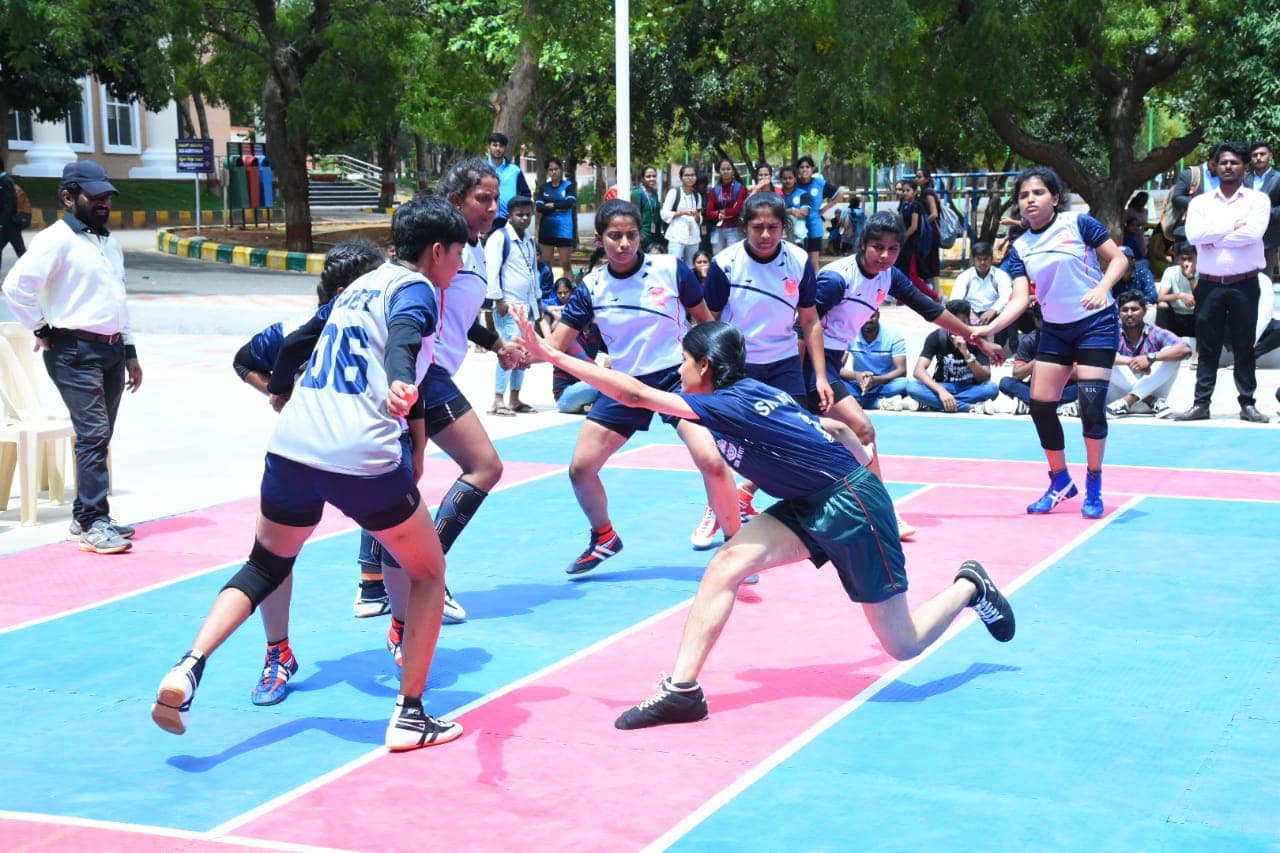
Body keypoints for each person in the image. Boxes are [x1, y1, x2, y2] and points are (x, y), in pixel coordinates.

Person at [511, 314, 1015, 730]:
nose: (679, 370)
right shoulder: (750, 390)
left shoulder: (726, 403)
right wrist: (856, 464)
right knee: (727, 564)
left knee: (903, 644)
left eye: (683, 361)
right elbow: (834, 426)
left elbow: (636, 396)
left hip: (848, 508)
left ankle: (969, 587)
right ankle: (682, 691)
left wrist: (554, 356)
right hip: (811, 500)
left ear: (704, 366)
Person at [151, 195, 470, 751]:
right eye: (460, 251)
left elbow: (300, 339)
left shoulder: (358, 286)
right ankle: (411, 715)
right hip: (359, 456)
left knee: (264, 564)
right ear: (438, 250)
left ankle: (189, 665)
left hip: (292, 449)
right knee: (427, 571)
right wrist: (399, 380)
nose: (462, 264)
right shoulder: (415, 287)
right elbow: (405, 336)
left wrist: (279, 388)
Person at [232, 240, 396, 705]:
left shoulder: (382, 332)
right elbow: (243, 361)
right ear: (346, 291)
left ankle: (399, 626)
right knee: (272, 557)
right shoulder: (291, 332)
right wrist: (279, 395)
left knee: (405, 543)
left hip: (362, 455)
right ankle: (277, 653)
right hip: (301, 457)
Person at [542, 199, 740, 574]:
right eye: (615, 236)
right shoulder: (591, 287)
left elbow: (706, 324)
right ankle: (604, 537)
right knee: (580, 469)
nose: (624, 243)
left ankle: (735, 547)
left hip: (674, 381)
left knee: (712, 462)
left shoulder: (669, 269)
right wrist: (519, 349)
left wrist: (709, 374)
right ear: (600, 239)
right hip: (624, 386)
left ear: (640, 236)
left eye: (631, 235)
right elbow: (554, 345)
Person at [811, 212, 1000, 539]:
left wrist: (973, 335)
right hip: (804, 360)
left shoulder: (889, 276)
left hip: (825, 362)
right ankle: (730, 496)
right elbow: (803, 326)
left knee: (858, 432)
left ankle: (880, 511)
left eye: (892, 248)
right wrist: (817, 375)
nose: (884, 255)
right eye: (877, 247)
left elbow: (931, 309)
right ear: (862, 244)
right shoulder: (837, 279)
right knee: (805, 436)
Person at [1, 160, 141, 554]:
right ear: (68, 197)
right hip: (74, 351)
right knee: (94, 433)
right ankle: (96, 521)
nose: (102, 203)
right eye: (93, 196)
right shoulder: (56, 240)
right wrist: (41, 328)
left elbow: (119, 300)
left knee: (100, 436)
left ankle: (85, 517)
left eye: (106, 196)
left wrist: (130, 351)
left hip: (111, 349)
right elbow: (16, 287)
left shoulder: (107, 244)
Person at [973, 165, 1128, 519]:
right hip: (1056, 329)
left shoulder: (1079, 225)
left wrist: (1102, 289)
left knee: (1091, 406)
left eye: (1038, 193)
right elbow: (1018, 300)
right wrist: (990, 328)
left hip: (1096, 324)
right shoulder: (1020, 248)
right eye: (1024, 195)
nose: (1030, 200)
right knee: (1041, 405)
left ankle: (1093, 481)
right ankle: (1060, 480)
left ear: (1055, 198)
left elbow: (1119, 258)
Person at [690, 192, 827, 550]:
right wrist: (702, 372)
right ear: (743, 227)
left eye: (773, 227)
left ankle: (748, 496)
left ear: (784, 227)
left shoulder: (798, 260)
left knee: (798, 440)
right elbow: (709, 321)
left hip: (783, 364)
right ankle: (715, 508)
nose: (765, 234)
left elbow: (810, 320)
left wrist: (821, 376)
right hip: (737, 367)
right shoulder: (725, 263)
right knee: (725, 447)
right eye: (757, 227)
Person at [1172, 142, 1271, 423]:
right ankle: (1201, 404)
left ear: (1245, 167)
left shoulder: (1257, 200)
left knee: (1244, 345)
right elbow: (1194, 236)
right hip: (1211, 285)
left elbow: (1252, 235)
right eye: (1223, 162)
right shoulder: (1200, 203)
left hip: (1245, 284)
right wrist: (1231, 228)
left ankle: (1247, 403)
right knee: (1208, 345)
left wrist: (1213, 235)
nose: (1228, 167)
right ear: (1215, 166)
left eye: (1235, 162)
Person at [487, 195, 540, 415]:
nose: (524, 218)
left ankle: (515, 398)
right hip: (508, 304)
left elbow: (533, 271)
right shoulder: (499, 238)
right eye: (519, 214)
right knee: (508, 351)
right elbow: (492, 270)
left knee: (524, 353)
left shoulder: (529, 240)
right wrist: (498, 299)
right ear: (510, 215)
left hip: (527, 305)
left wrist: (537, 301)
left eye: (528, 214)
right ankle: (498, 399)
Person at [905, 298, 999, 413]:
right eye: (955, 323)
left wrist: (966, 354)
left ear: (969, 322)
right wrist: (941, 391)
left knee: (992, 389)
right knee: (912, 387)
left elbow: (985, 377)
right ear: (947, 322)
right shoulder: (936, 337)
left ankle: (934, 403)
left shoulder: (979, 340)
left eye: (963, 323)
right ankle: (971, 407)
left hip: (969, 388)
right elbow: (918, 371)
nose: (959, 329)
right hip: (943, 386)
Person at [1106, 290, 1191, 418]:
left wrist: (1150, 358)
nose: (1129, 314)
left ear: (1145, 311)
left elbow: (1185, 350)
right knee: (1105, 357)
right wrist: (1131, 361)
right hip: (1119, 402)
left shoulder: (1156, 332)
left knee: (1170, 353)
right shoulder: (1112, 334)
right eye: (1125, 310)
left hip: (1137, 405)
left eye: (1134, 309)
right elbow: (1093, 356)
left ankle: (1130, 399)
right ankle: (1149, 399)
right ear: (1119, 313)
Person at [997, 304, 1080, 416]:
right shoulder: (1029, 341)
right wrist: (1038, 360)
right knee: (1005, 382)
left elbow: (1079, 375)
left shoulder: (1069, 340)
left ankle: (1034, 406)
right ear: (1036, 321)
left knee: (1087, 387)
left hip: (1064, 389)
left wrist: (1058, 361)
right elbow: (1017, 374)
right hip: (1036, 389)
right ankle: (1057, 407)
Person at [546, 278, 605, 414]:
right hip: (566, 396)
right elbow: (586, 363)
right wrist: (611, 376)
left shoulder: (595, 330)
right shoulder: (567, 334)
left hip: (586, 388)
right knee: (608, 384)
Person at [839, 310, 909, 411]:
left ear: (878, 315)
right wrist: (857, 376)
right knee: (831, 380)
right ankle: (880, 403)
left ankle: (857, 401)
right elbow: (837, 367)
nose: (868, 320)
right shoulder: (849, 334)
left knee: (905, 384)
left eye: (872, 316)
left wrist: (875, 380)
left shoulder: (894, 335)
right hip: (858, 384)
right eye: (864, 317)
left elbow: (902, 371)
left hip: (885, 384)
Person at [951, 241, 1013, 341]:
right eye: (979, 259)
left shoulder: (1001, 275)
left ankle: (999, 346)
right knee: (955, 314)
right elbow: (955, 299)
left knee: (1009, 313)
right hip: (971, 313)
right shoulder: (964, 277)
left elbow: (1007, 296)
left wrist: (993, 310)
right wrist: (969, 313)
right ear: (973, 260)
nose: (982, 263)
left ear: (991, 259)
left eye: (986, 259)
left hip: (994, 313)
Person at [894, 180, 940, 300]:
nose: (905, 193)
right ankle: (901, 300)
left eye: (908, 190)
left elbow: (914, 227)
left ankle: (934, 296)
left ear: (914, 192)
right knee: (904, 274)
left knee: (912, 275)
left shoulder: (916, 205)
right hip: (904, 245)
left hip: (912, 244)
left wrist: (902, 237)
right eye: (903, 190)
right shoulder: (904, 205)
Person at [796, 156, 841, 269]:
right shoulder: (794, 183)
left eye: (807, 167)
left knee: (813, 262)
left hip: (813, 227)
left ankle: (814, 285)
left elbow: (840, 194)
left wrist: (824, 209)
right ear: (798, 169)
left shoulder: (819, 183)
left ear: (812, 169)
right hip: (796, 227)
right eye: (801, 167)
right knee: (796, 261)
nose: (804, 169)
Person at [484, 132, 531, 233]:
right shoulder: (480, 168)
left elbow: (526, 194)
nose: (498, 148)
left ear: (505, 148)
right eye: (495, 145)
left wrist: (517, 210)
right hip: (485, 220)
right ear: (489, 147)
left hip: (509, 221)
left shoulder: (515, 170)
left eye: (501, 146)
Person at [535, 157, 576, 273]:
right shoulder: (544, 188)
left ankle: (570, 289)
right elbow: (539, 207)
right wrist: (558, 206)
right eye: (550, 170)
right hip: (546, 230)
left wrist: (552, 206)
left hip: (564, 230)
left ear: (561, 169)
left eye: (556, 169)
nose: (554, 172)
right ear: (547, 171)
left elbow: (569, 203)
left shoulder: (568, 186)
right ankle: (547, 290)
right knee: (546, 266)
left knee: (566, 264)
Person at [1249, 140, 1280, 277]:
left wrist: (1264, 212)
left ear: (1270, 156)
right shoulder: (1245, 179)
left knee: (1264, 278)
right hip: (1246, 235)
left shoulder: (1278, 178)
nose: (1259, 157)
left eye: (1262, 154)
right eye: (1255, 155)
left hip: (1269, 237)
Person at [661, 165, 703, 266]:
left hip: (693, 235)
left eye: (692, 175)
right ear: (681, 178)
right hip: (677, 235)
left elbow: (699, 218)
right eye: (686, 175)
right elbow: (664, 213)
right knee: (674, 264)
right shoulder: (674, 192)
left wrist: (697, 216)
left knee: (692, 266)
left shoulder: (697, 195)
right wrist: (682, 212)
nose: (690, 178)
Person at [1155, 241, 1197, 338]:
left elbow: (1201, 298)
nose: (1187, 263)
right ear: (1178, 260)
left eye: (1190, 259)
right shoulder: (1171, 271)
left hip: (1194, 316)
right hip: (1176, 315)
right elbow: (1160, 297)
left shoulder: (1202, 273)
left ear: (1196, 258)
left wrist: (1190, 277)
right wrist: (1180, 295)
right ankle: (1160, 341)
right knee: (1162, 305)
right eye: (1183, 259)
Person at [706, 159, 747, 255]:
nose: (725, 171)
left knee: (733, 257)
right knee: (717, 258)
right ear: (719, 172)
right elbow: (709, 212)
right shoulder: (715, 190)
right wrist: (721, 215)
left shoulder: (740, 188)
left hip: (735, 228)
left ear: (733, 171)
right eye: (723, 169)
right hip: (717, 229)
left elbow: (736, 210)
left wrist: (718, 212)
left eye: (728, 169)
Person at [0, 157, 27, 268]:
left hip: (10, 224)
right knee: (21, 252)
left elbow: (8, 205)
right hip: (8, 225)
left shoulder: (5, 181)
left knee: (21, 252)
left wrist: (1, 223)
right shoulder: (4, 180)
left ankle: (39, 276)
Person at [632, 165, 665, 253]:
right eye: (648, 176)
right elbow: (634, 216)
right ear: (642, 179)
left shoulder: (654, 192)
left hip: (656, 232)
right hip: (644, 233)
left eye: (654, 176)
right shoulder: (637, 193)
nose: (652, 179)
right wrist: (639, 235)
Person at [780, 166, 807, 246]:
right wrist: (791, 211)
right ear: (781, 179)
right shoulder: (777, 193)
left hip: (799, 236)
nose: (787, 180)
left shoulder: (803, 194)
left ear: (795, 179)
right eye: (785, 178)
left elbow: (803, 213)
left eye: (790, 178)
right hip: (781, 235)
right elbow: (773, 212)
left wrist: (784, 212)